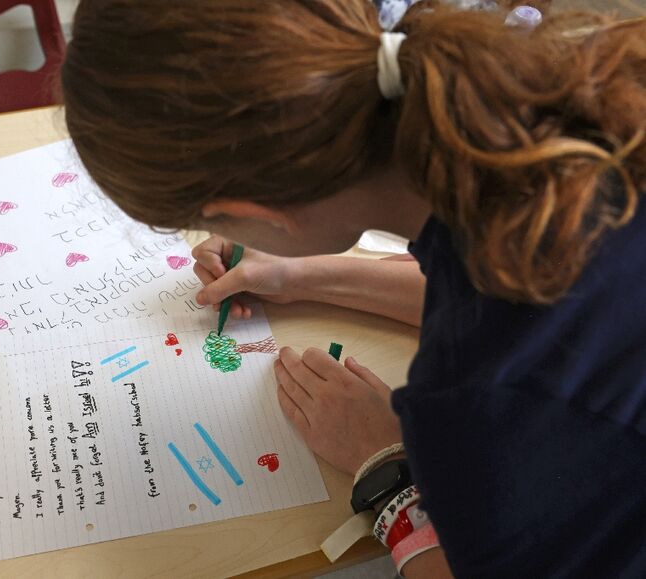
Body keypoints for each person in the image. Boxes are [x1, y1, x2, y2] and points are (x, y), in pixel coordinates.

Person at [61, 0, 645, 576]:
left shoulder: (478, 407)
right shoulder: (558, 104)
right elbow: (506, 299)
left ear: (255, 210)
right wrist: (299, 274)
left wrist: (388, 469)